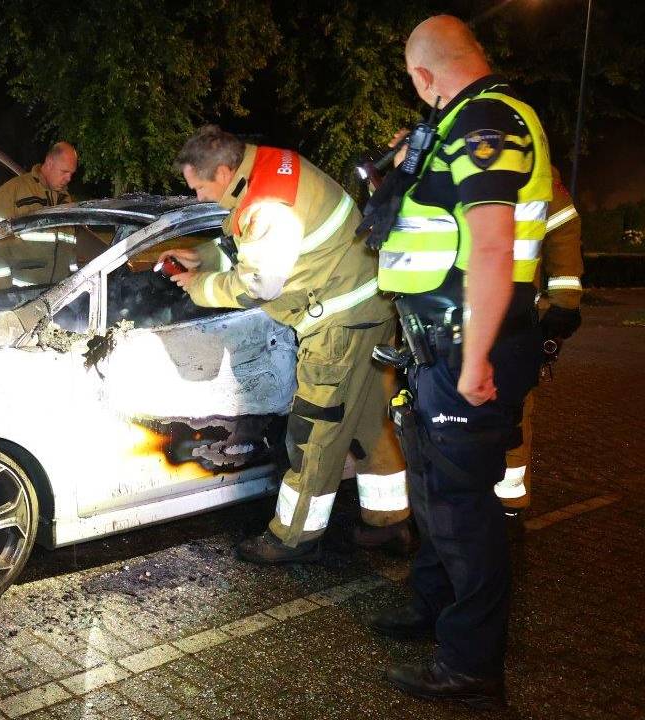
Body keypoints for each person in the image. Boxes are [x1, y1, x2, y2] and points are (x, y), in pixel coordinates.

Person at [364, 16, 552, 708]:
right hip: (434, 344)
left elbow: (494, 245)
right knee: (434, 494)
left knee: (463, 511)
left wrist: (474, 361)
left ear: (423, 77)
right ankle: (431, 609)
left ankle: (472, 664)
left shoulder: (488, 123)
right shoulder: (452, 127)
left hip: (469, 346)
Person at [162, 125, 407, 564]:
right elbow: (265, 248)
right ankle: (390, 522)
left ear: (222, 170)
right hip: (370, 308)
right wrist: (206, 256)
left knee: (314, 432)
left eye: (199, 187)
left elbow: (261, 283)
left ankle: (293, 537)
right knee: (370, 421)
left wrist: (200, 286)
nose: (198, 197)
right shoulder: (270, 166)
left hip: (338, 324)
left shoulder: (267, 205)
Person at [497, 167, 583, 521]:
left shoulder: (534, 166)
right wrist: (564, 305)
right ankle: (504, 497)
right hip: (496, 314)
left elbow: (562, 225)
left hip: (504, 315)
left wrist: (564, 304)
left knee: (511, 406)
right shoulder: (533, 162)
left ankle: (509, 495)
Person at [0, 142, 78, 224]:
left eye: (71, 173)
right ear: (50, 163)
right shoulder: (10, 192)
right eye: (64, 171)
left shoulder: (65, 198)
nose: (69, 178)